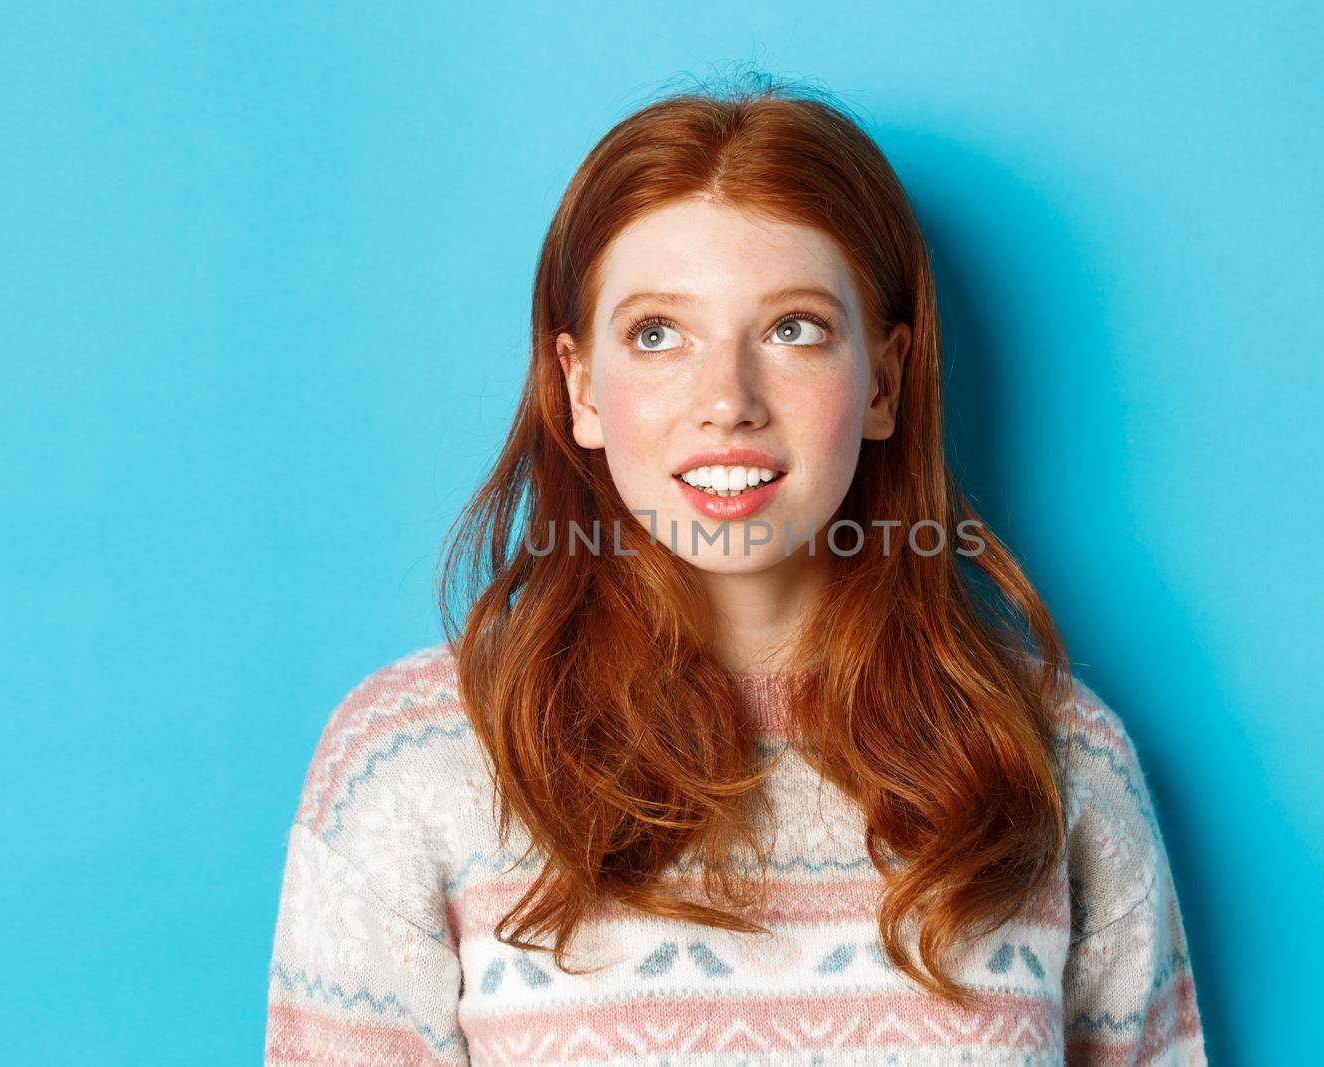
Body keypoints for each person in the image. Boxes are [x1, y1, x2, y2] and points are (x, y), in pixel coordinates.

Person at [264, 74, 1207, 1066]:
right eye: (658, 333)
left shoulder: (1053, 756)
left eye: (793, 328)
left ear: (883, 381)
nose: (728, 400)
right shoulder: (410, 760)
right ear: (580, 388)